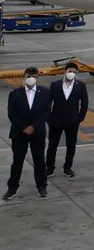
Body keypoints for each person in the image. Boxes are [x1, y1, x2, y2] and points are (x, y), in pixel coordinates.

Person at [4, 68, 50, 200]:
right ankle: (12, 188)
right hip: (19, 132)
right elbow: (12, 114)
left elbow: (46, 112)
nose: (31, 78)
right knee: (17, 161)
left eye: (34, 75)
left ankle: (42, 186)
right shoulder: (15, 94)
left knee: (39, 160)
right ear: (24, 77)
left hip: (37, 132)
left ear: (37, 77)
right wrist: (24, 127)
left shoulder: (46, 93)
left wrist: (33, 126)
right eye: (28, 75)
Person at [46, 63, 89, 178]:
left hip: (72, 121)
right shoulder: (55, 85)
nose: (72, 73)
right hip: (56, 121)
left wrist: (79, 118)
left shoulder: (81, 86)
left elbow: (85, 104)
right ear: (65, 71)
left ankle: (67, 168)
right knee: (52, 145)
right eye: (70, 71)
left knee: (71, 145)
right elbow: (48, 102)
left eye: (74, 72)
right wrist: (48, 118)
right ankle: (49, 168)